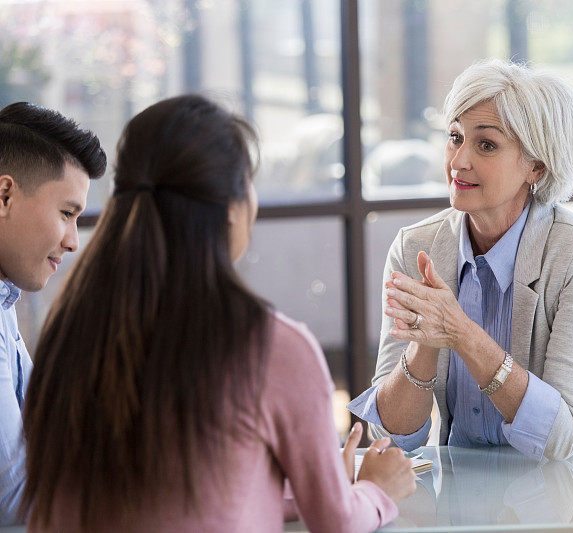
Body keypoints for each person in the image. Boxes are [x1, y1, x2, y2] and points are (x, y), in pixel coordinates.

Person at [21, 95, 415, 532]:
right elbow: (337, 520)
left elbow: (179, 499)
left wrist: (306, 485)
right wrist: (376, 489)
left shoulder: (68, 332)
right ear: (231, 209)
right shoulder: (272, 347)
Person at [348, 59, 573, 462]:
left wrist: (461, 333)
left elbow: (560, 438)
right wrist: (425, 343)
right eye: (455, 137)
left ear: (536, 167)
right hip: (470, 483)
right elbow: (394, 437)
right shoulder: (415, 247)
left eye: (486, 144)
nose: (459, 161)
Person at [0, 102, 106, 524]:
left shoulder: (5, 299)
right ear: (4, 194)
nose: (73, 242)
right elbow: (13, 498)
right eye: (67, 214)